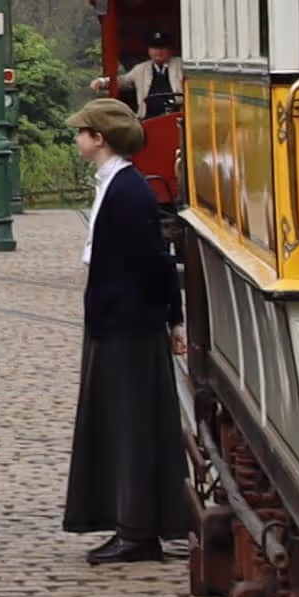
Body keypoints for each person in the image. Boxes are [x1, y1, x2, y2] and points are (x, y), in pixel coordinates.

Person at [61, 97, 189, 565]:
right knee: (120, 421)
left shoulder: (128, 191)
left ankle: (137, 531)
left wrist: (169, 319)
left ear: (101, 139)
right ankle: (130, 523)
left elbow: (153, 262)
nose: (76, 139)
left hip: (129, 325)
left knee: (131, 424)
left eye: (82, 132)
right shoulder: (115, 185)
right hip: (117, 320)